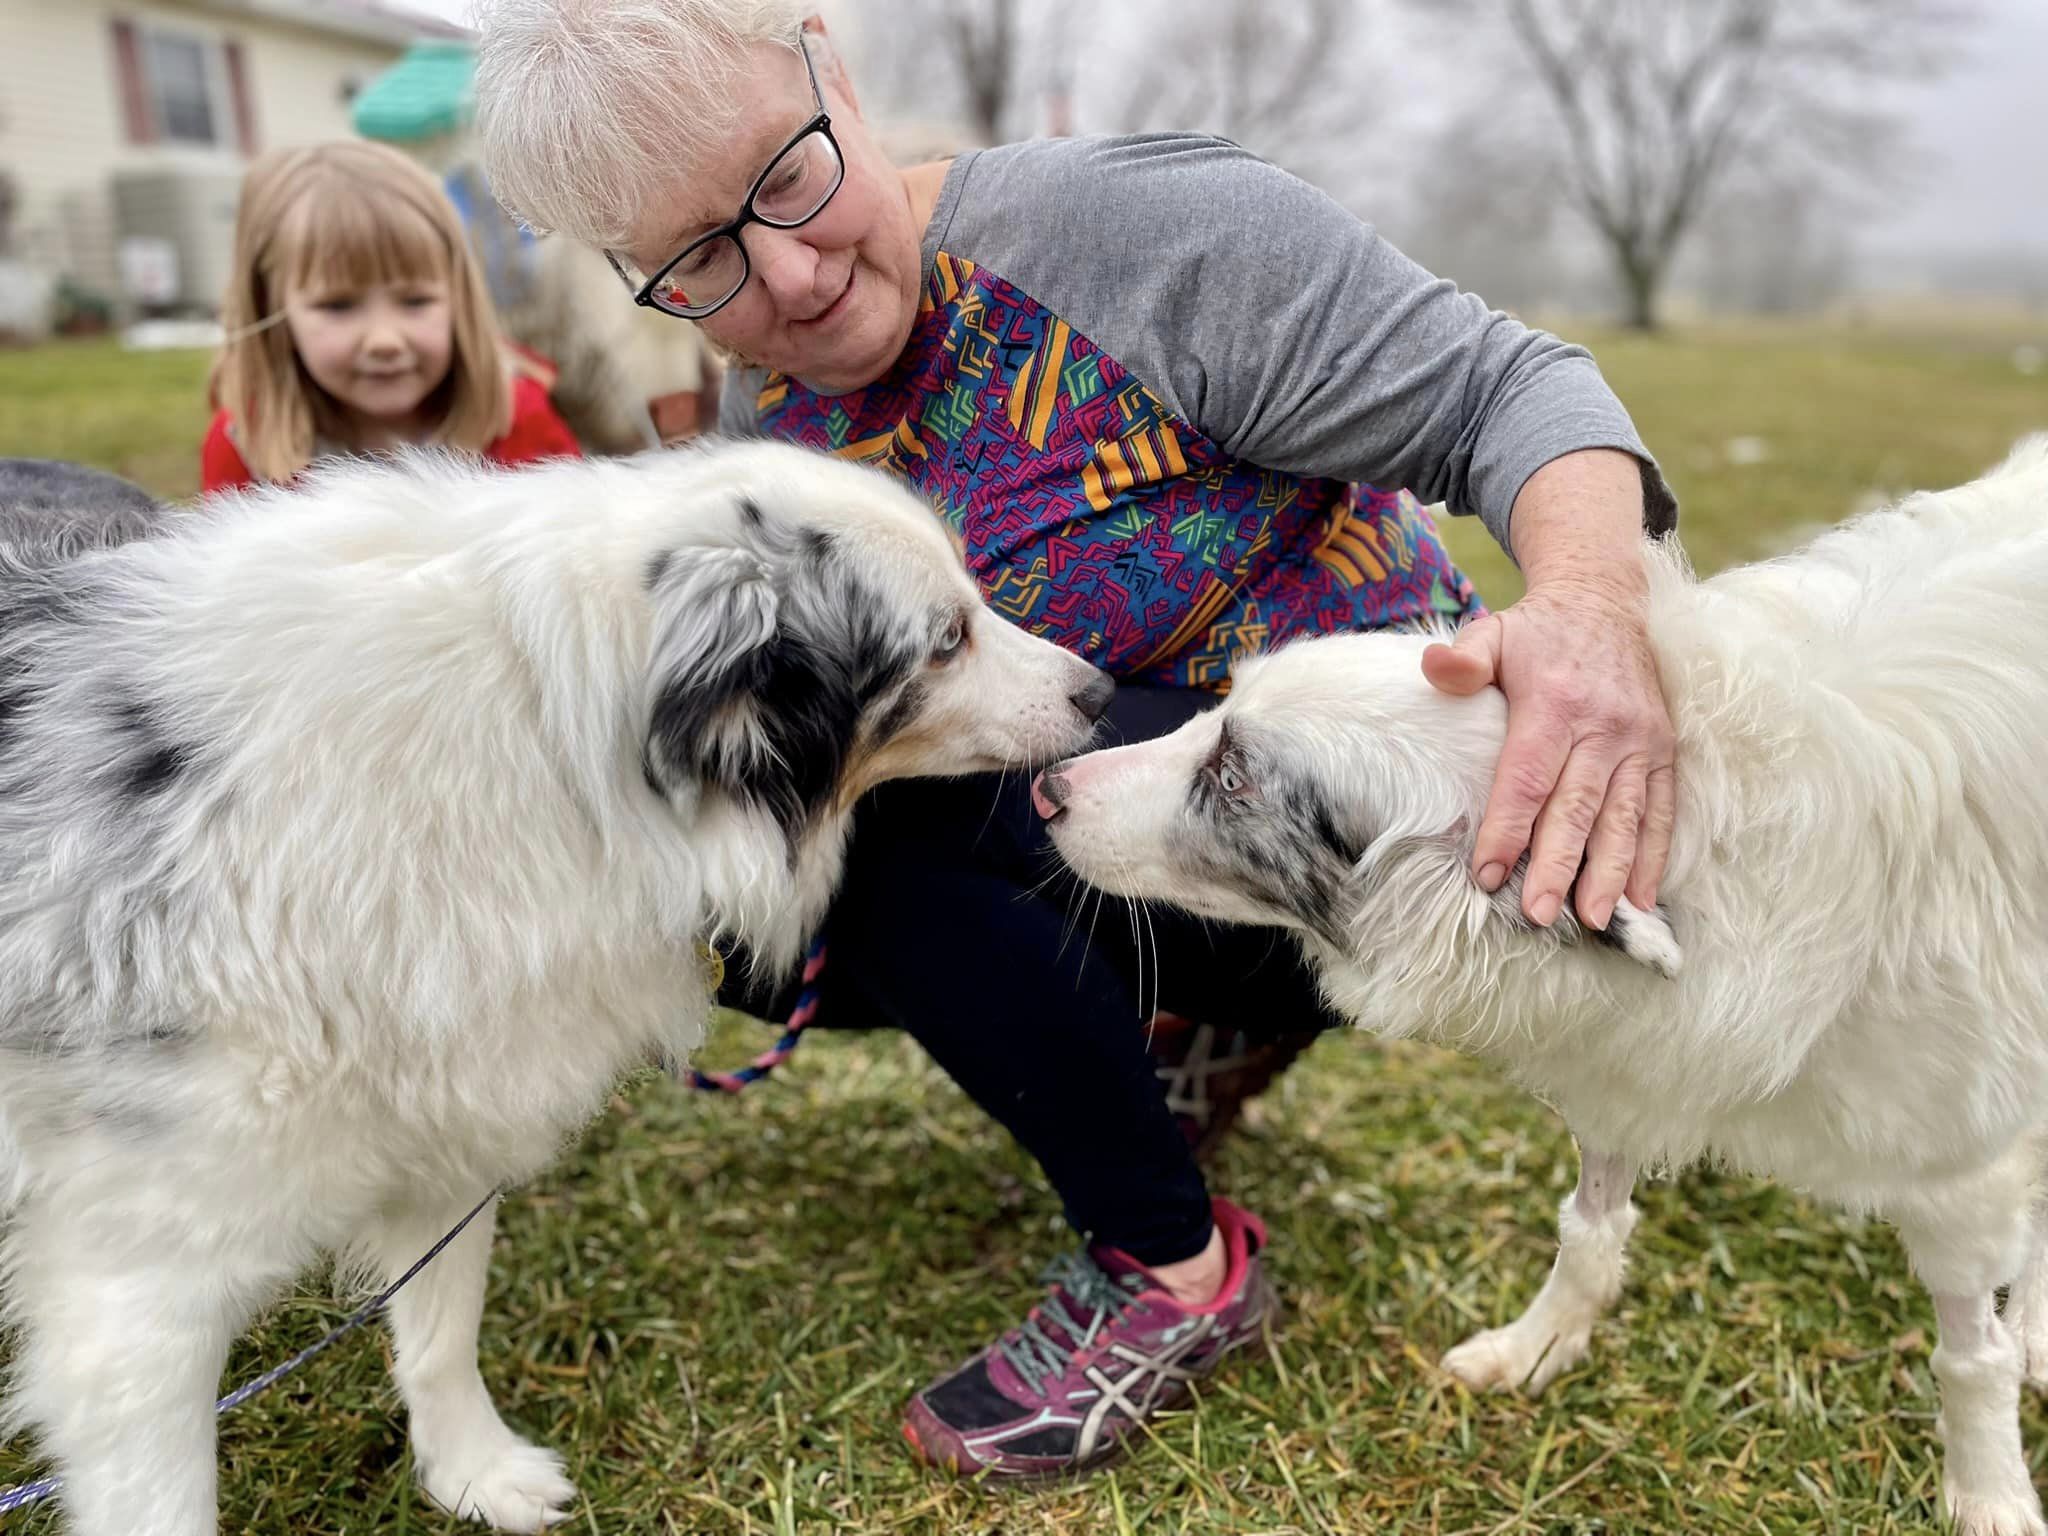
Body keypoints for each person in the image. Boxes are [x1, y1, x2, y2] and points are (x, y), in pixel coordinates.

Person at [474, 0, 1680, 1481]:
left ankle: (1177, 1269)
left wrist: (1593, 609)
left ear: (830, 72)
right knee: (754, 896)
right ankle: (1190, 1021)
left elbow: (1518, 391)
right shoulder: (772, 412)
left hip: (1389, 848)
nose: (783, 275)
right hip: (1143, 813)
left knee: (891, 815)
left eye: (785, 179)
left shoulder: (1137, 232)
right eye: (700, 259)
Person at [201, 140, 580, 494]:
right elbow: (226, 564)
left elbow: (568, 545)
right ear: (273, 308)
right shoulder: (244, 441)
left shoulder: (514, 414)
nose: (385, 340)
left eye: (415, 301)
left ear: (459, 299)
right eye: (339, 306)